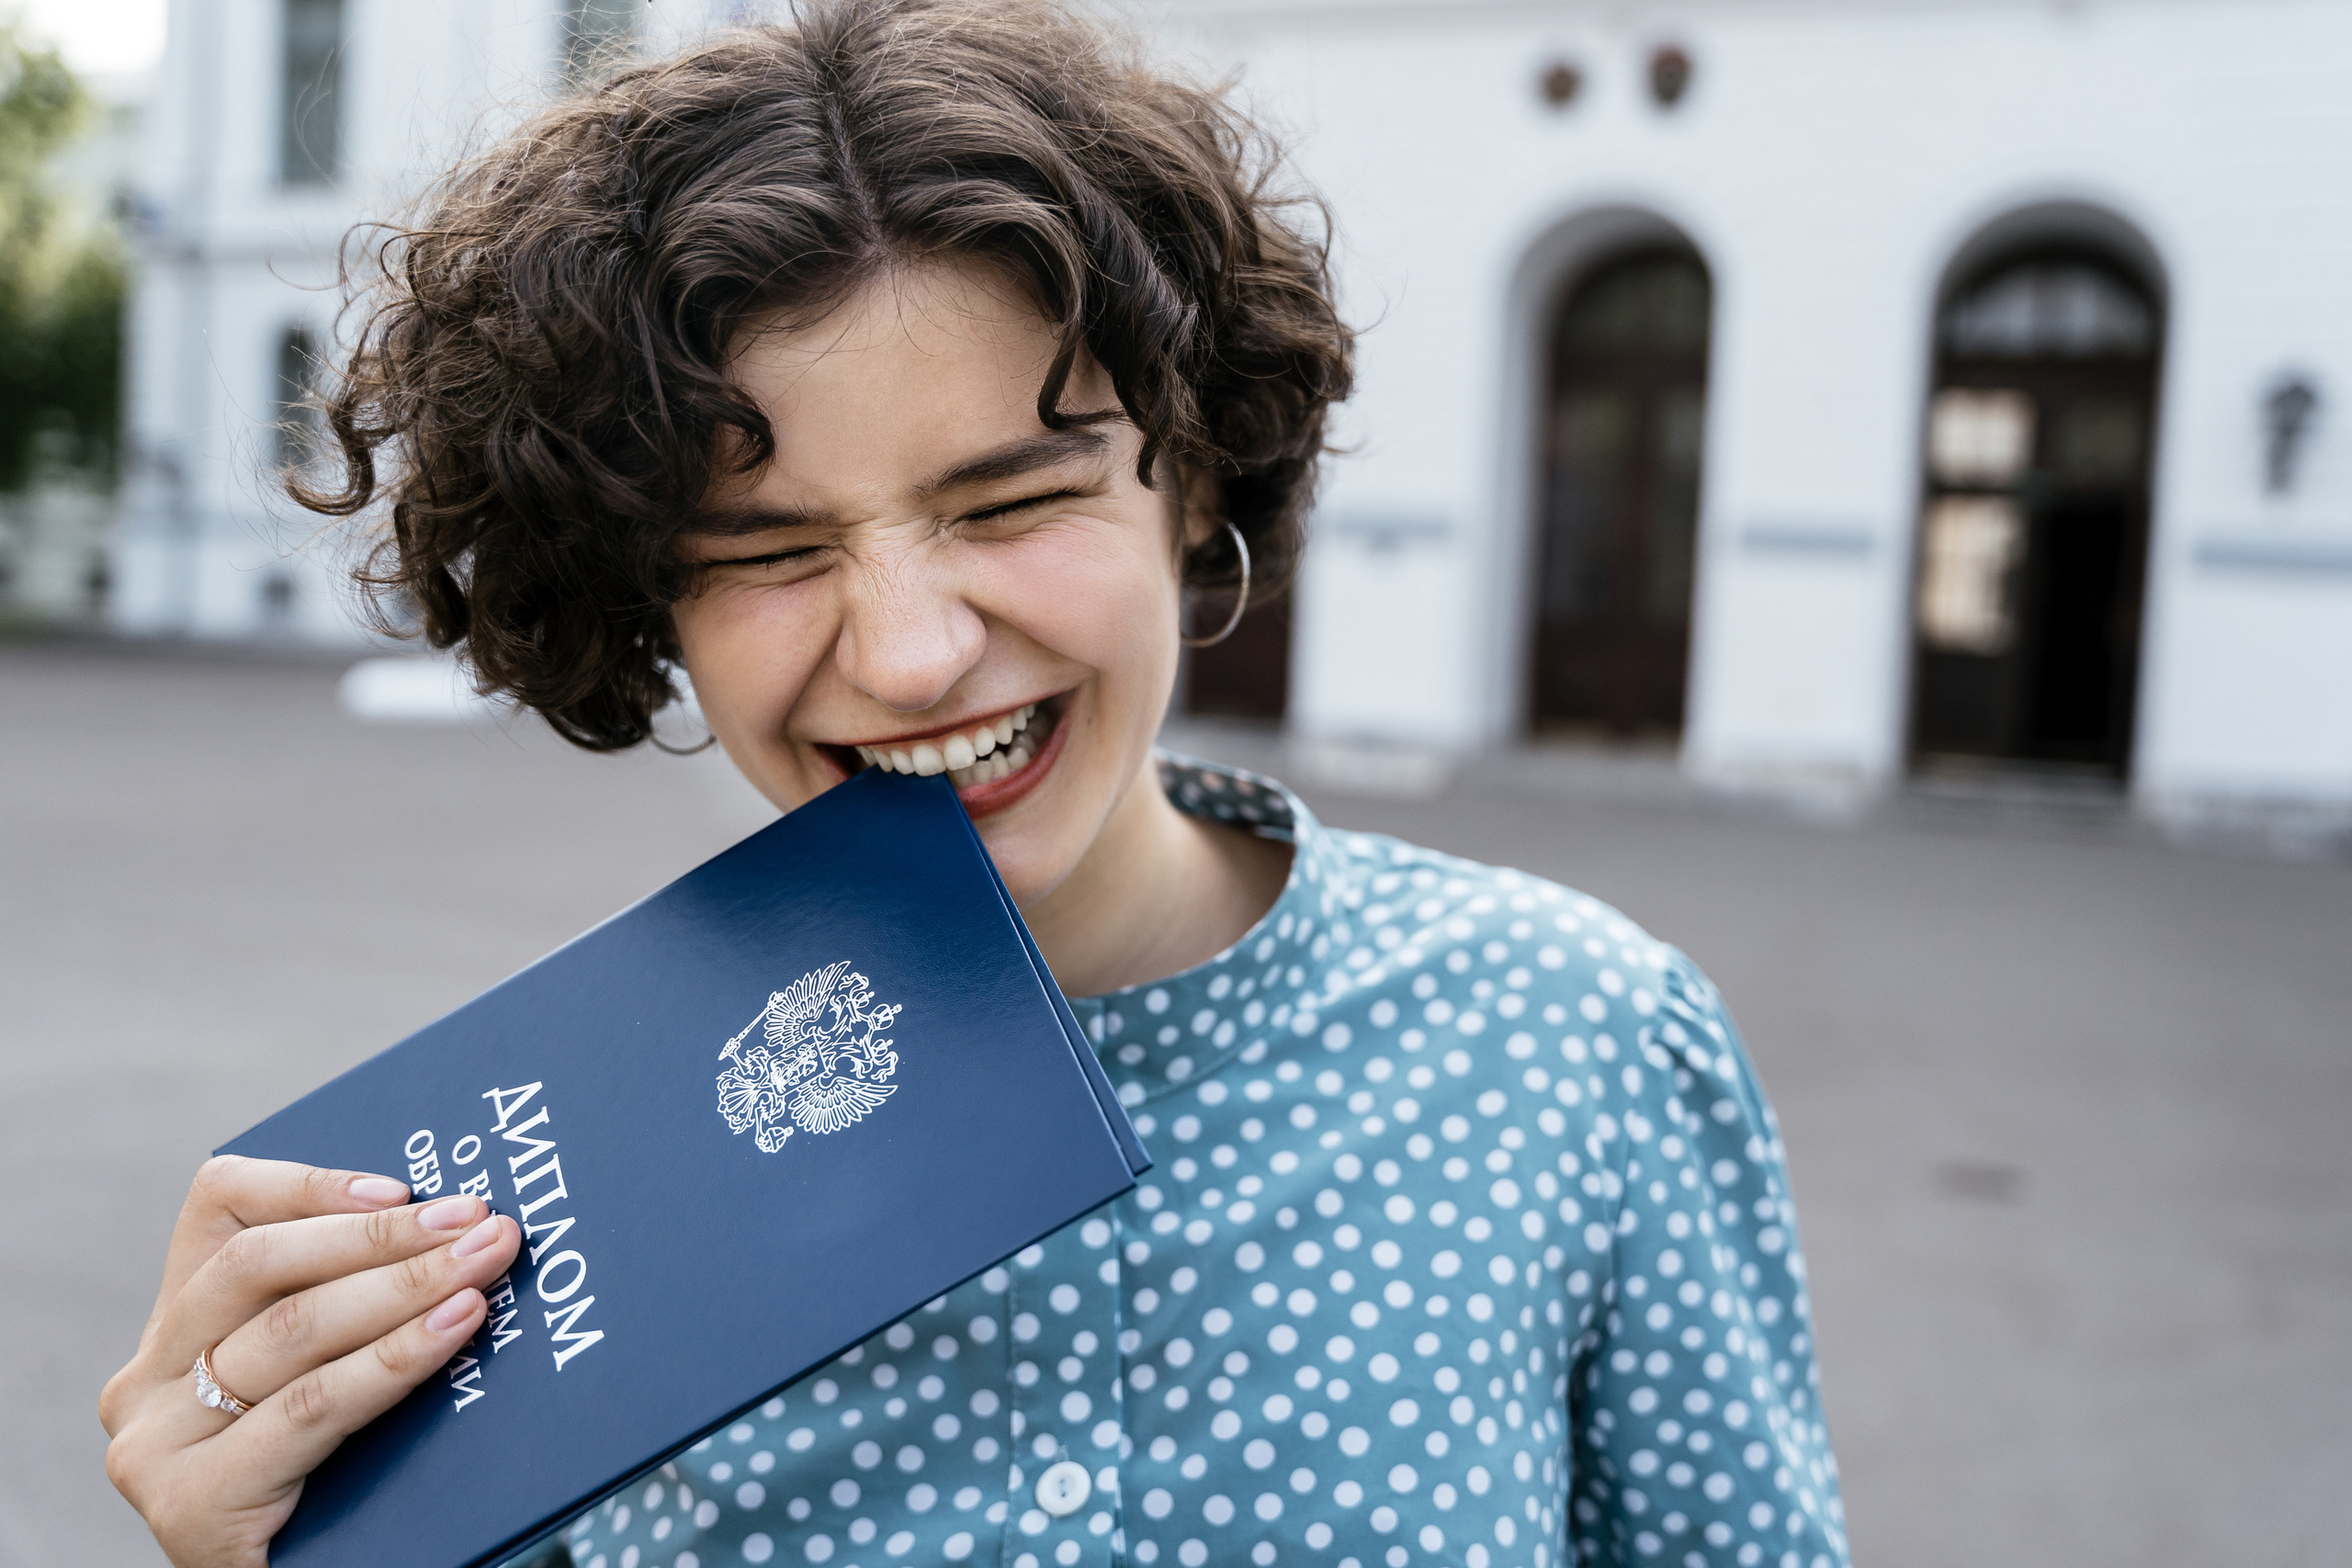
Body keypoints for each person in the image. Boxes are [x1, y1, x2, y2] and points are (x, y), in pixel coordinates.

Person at [99, 4, 1849, 1565]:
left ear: (1192, 481)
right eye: (767, 546)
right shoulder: (519, 1205)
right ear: (651, 595)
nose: (916, 651)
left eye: (1012, 503)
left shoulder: (1579, 1045)